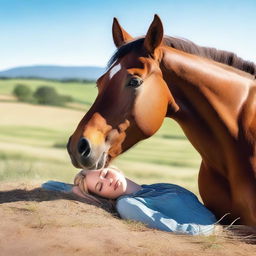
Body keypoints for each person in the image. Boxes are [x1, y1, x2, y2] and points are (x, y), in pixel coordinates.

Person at [42, 166, 218, 236]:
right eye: (100, 187)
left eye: (104, 174)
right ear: (103, 196)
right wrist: (216, 231)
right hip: (214, 232)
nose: (108, 181)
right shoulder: (129, 205)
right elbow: (178, 231)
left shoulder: (157, 187)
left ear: (111, 166)